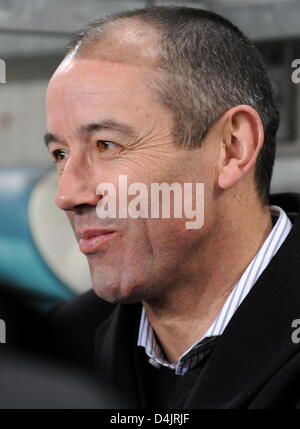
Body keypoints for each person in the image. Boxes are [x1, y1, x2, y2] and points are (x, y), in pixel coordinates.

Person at [46, 6, 300, 408]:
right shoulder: (58, 351)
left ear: (231, 148)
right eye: (60, 153)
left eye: (106, 145)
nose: (67, 194)